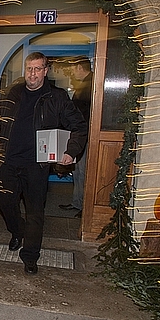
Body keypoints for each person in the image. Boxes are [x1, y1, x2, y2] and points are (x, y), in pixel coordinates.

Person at [0, 52, 87, 274]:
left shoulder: (57, 98)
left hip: (37, 166)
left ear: (45, 70)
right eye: (29, 68)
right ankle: (17, 231)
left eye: (37, 69)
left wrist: (71, 151)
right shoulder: (12, 93)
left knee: (35, 212)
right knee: (5, 202)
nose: (32, 73)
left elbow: (79, 126)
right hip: (9, 161)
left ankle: (30, 255)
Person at [59, 57, 93, 218]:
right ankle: (77, 202)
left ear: (80, 67)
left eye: (73, 69)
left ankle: (85, 207)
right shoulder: (84, 85)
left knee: (84, 172)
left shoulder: (90, 85)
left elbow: (83, 115)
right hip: (81, 135)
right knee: (79, 171)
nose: (72, 73)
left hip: (86, 135)